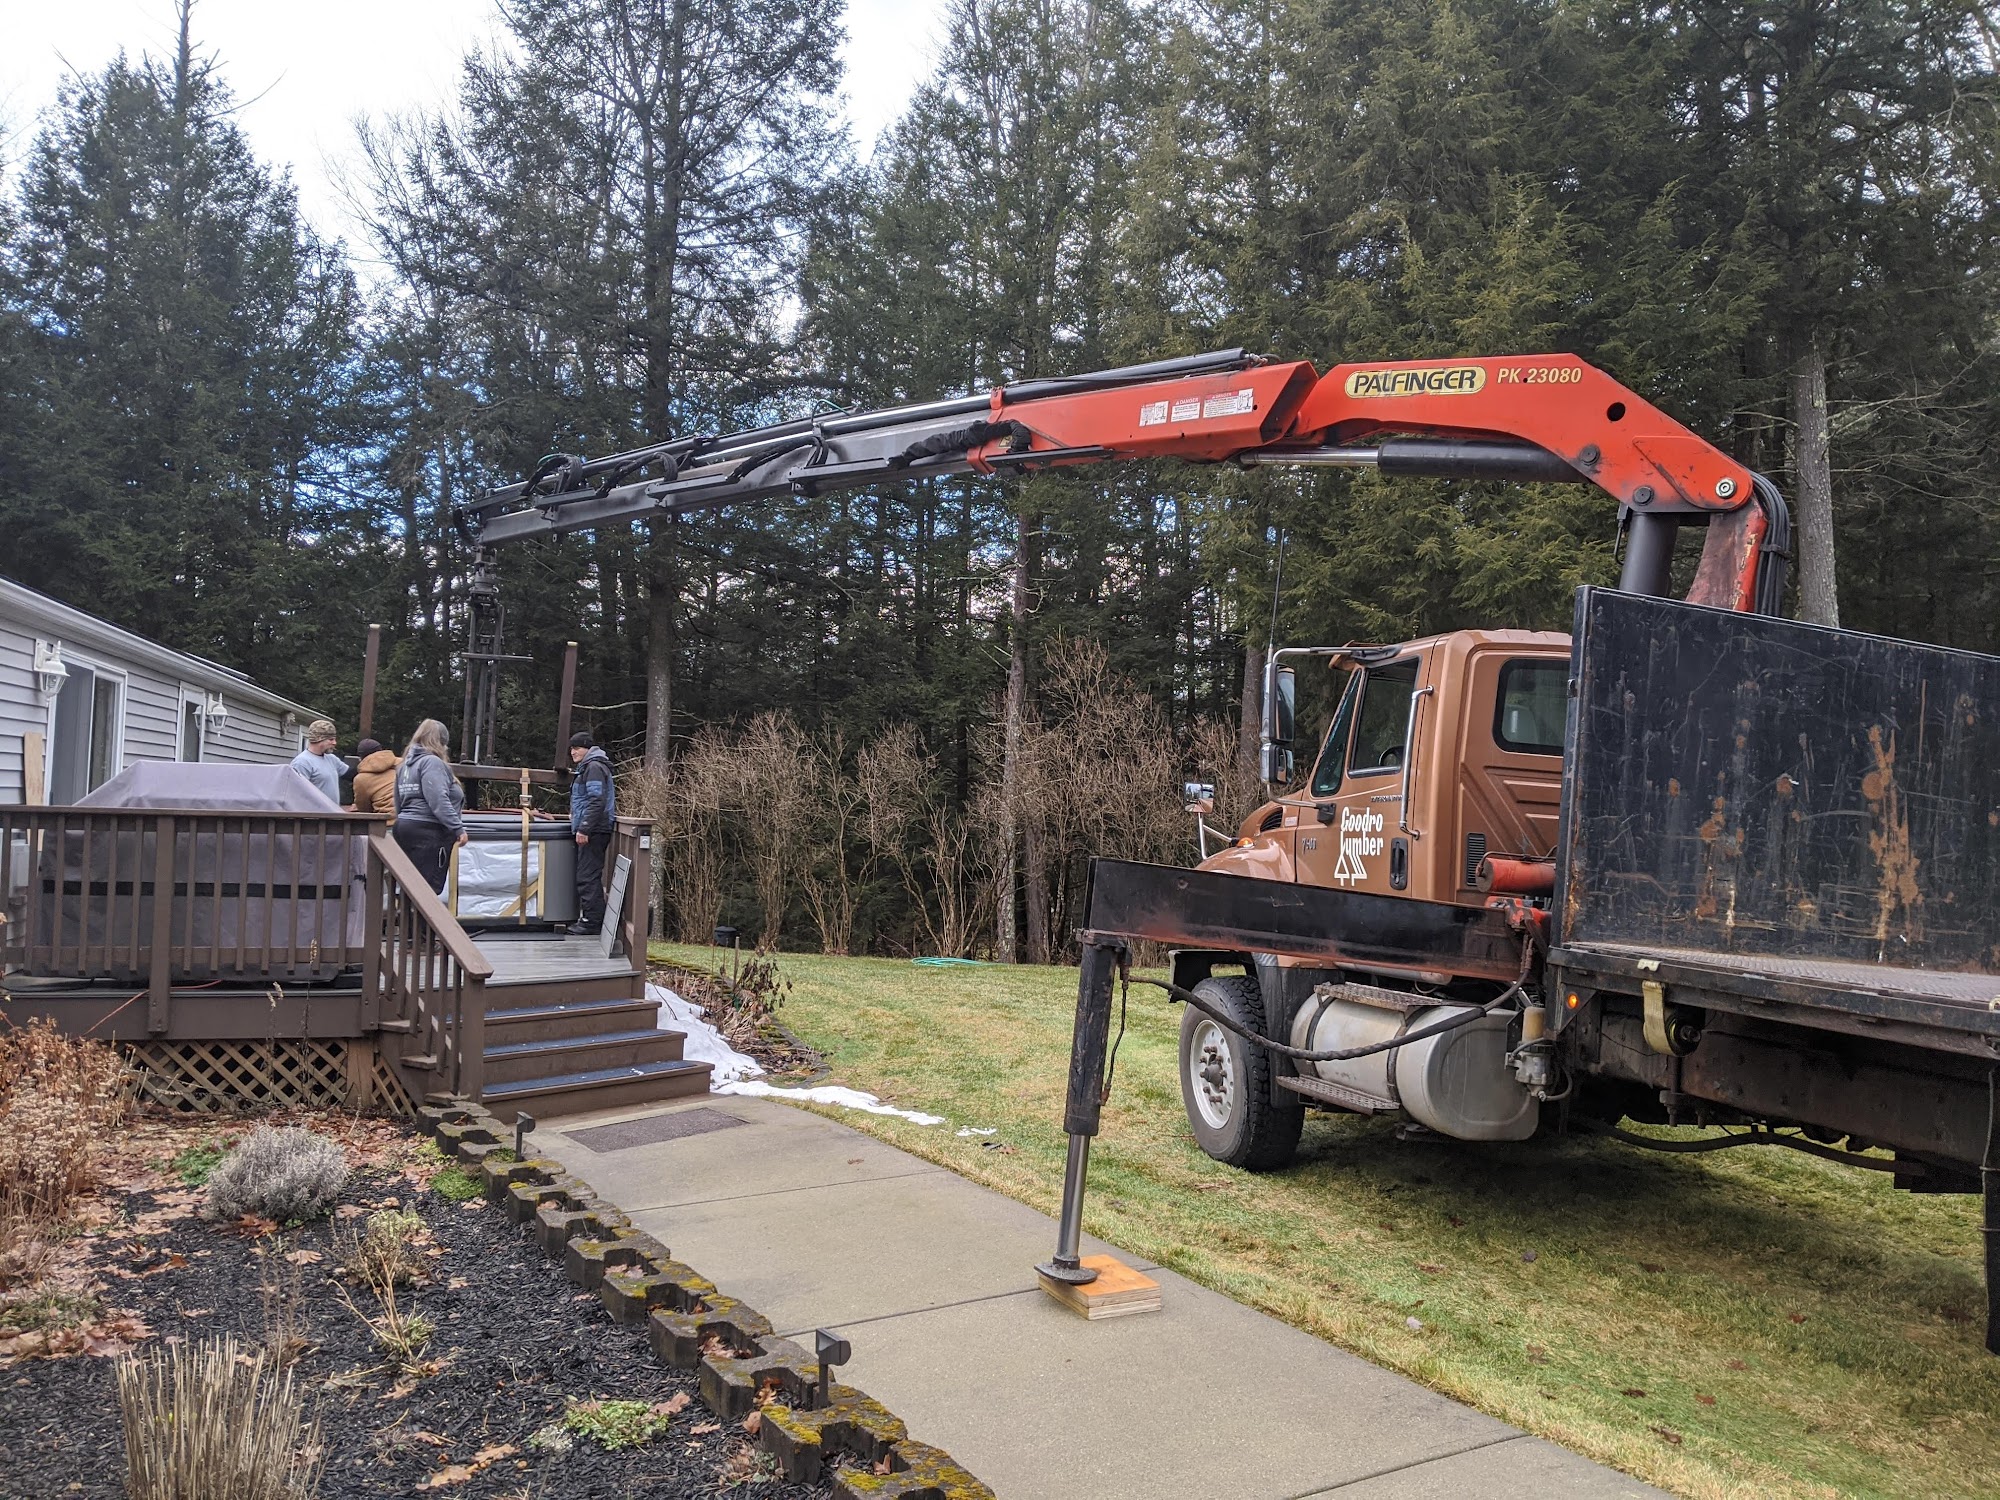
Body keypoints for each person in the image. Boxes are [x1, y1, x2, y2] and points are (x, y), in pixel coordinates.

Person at [392, 719, 467, 894]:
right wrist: (457, 828)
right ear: (441, 742)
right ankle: (417, 913)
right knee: (426, 889)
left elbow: (398, 800)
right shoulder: (431, 762)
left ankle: (405, 912)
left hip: (404, 827)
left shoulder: (405, 765)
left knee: (409, 885)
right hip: (428, 830)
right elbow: (438, 799)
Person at [567, 731, 616, 935]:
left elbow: (597, 800)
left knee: (587, 876)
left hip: (595, 829)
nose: (573, 752)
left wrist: (584, 827)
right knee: (588, 874)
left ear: (587, 748)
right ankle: (593, 919)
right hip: (595, 828)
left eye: (577, 748)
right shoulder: (589, 766)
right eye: (571, 748)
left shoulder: (593, 767)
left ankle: (592, 922)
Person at [289, 719, 346, 807]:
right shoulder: (301, 763)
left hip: (333, 813)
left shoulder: (331, 759)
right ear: (318, 739)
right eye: (331, 739)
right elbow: (296, 794)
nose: (335, 743)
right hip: (313, 814)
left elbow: (351, 774)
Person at [351, 738, 401, 820]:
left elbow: (364, 809)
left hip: (386, 821)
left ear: (361, 757)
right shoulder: (404, 764)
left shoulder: (361, 778)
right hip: (411, 818)